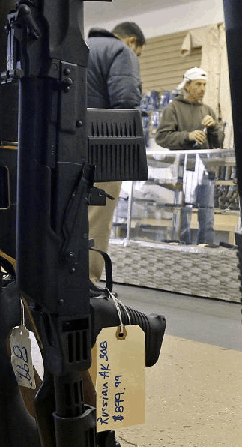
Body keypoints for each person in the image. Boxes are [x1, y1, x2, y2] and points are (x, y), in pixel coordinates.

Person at [86, 22, 146, 283]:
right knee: (96, 218)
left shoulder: (80, 46)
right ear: (132, 41)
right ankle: (85, 284)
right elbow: (125, 103)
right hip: (102, 150)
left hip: (59, 146)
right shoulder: (121, 52)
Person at [155, 68, 225, 244]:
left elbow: (218, 143)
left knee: (207, 213)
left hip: (205, 170)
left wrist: (215, 127)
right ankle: (181, 248)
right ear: (187, 85)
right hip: (182, 170)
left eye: (204, 85)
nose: (202, 88)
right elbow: (162, 138)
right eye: (198, 84)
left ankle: (207, 248)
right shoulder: (173, 109)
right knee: (182, 212)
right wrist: (188, 136)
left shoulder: (208, 110)